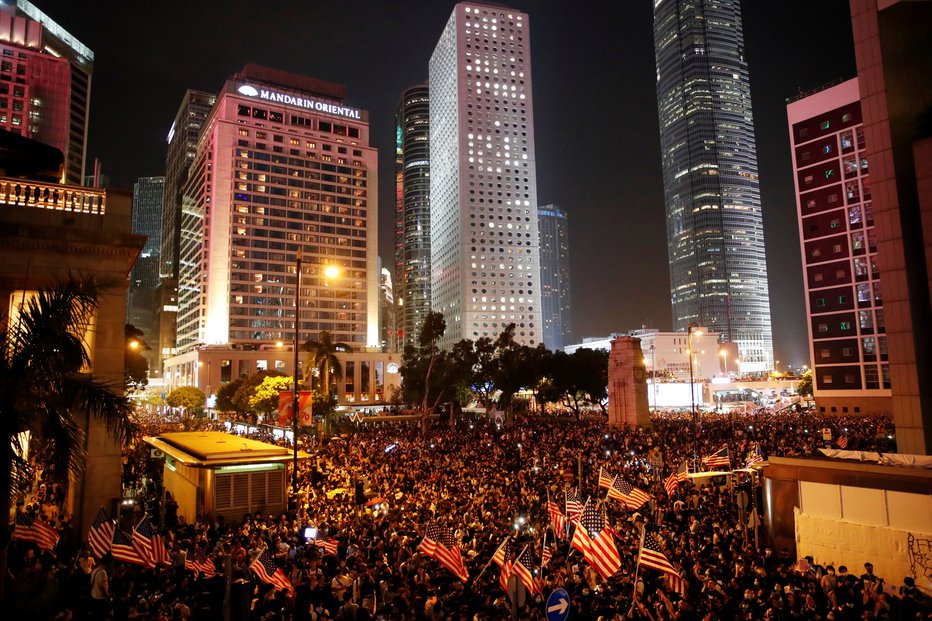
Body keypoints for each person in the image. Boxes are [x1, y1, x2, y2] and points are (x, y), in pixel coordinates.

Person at [89, 554, 112, 619]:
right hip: (100, 599)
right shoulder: (102, 572)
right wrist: (107, 595)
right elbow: (103, 587)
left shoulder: (95, 570)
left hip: (94, 596)